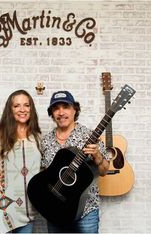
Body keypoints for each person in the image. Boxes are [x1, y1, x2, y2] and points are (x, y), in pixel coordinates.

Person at [41, 90, 110, 233]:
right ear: (52, 113)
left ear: (74, 110)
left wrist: (97, 155)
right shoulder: (46, 141)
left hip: (86, 210)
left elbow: (104, 171)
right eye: (56, 108)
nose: (61, 112)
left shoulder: (89, 135)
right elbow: (43, 173)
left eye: (65, 107)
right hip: (56, 209)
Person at [0, 90, 42, 233]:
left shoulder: (36, 137)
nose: (22, 110)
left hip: (27, 211)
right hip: (0, 209)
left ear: (31, 109)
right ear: (10, 109)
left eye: (26, 105)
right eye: (17, 106)